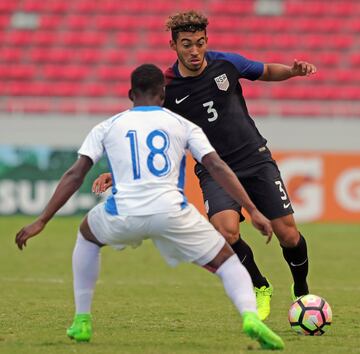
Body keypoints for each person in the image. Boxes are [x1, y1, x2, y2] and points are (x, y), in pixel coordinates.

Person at [15, 64, 284, 350]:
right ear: (163, 93)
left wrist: (42, 220)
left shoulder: (108, 126)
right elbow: (216, 166)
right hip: (172, 212)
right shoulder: (183, 125)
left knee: (86, 236)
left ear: (130, 93)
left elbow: (75, 174)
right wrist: (252, 209)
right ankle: (250, 316)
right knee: (228, 262)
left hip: (123, 213)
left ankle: (82, 319)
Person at [94, 10, 315, 321]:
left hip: (255, 159)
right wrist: (117, 172)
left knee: (288, 235)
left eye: (199, 43)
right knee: (225, 232)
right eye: (186, 44)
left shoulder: (227, 63)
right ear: (173, 46)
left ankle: (301, 291)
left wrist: (292, 72)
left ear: (206, 41)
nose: (194, 51)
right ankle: (259, 285)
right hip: (214, 169)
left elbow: (265, 71)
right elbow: (145, 131)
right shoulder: (166, 87)